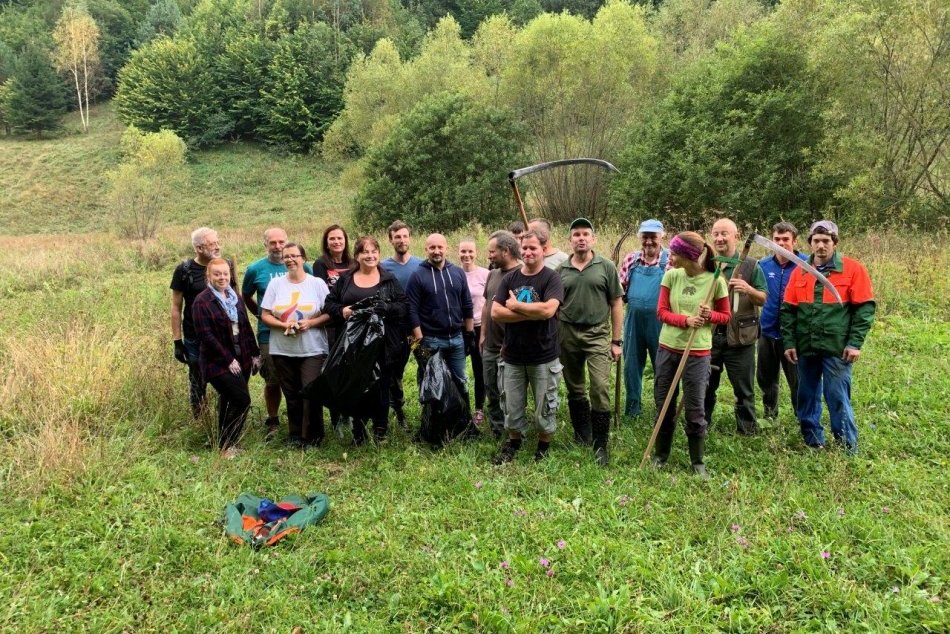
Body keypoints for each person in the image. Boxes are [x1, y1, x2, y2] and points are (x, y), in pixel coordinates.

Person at [781, 221, 875, 453]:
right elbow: (788, 311)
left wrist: (854, 343)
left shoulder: (853, 269)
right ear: (810, 243)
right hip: (806, 346)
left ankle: (846, 445)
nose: (821, 245)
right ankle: (813, 441)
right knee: (807, 395)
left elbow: (864, 309)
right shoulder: (799, 271)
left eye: (826, 241)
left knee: (837, 396)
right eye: (816, 241)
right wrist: (790, 342)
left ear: (835, 242)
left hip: (837, 347)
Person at [651, 232, 730, 476]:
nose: (670, 257)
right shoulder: (671, 276)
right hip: (668, 349)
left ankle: (697, 462)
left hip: (697, 353)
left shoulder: (715, 281)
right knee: (664, 404)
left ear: (687, 256)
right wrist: (687, 320)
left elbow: (726, 317)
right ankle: (660, 455)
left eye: (674, 253)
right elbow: (661, 313)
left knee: (695, 409)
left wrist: (710, 316)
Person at [491, 230, 565, 463]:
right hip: (512, 355)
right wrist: (530, 313)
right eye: (524, 248)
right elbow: (495, 313)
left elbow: (548, 310)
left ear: (543, 249)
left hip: (543, 356)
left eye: (533, 248)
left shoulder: (551, 278)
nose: (528, 252)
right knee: (512, 406)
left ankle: (543, 445)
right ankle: (514, 442)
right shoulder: (510, 279)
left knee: (545, 405)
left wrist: (515, 306)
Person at [326, 236, 408, 444]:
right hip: (353, 344)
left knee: (381, 386)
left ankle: (381, 431)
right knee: (357, 386)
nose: (370, 256)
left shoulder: (388, 280)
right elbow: (329, 304)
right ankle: (359, 431)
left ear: (379, 254)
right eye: (365, 252)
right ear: (357, 256)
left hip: (382, 344)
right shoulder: (346, 280)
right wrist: (341, 311)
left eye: (374, 252)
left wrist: (387, 308)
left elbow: (404, 307)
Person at [557, 218, 624, 466]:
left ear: (593, 239)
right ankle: (581, 433)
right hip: (567, 333)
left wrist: (616, 341)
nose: (581, 238)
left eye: (586, 234)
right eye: (576, 235)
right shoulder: (561, 270)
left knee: (599, 387)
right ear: (570, 240)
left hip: (597, 334)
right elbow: (554, 306)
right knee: (574, 387)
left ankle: (600, 443)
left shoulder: (605, 267)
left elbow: (617, 303)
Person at [241, 227, 313, 439]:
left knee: (300, 377)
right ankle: (272, 419)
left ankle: (301, 419)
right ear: (265, 244)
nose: (278, 246)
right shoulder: (255, 269)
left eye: (282, 242)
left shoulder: (303, 265)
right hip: (269, 333)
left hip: (301, 330)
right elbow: (246, 296)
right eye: (273, 243)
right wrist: (262, 316)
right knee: (272, 379)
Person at [260, 244, 331, 448]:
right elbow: (265, 314)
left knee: (310, 390)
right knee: (291, 393)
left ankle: (314, 436)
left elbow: (329, 312)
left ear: (304, 258)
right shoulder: (276, 285)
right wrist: (283, 324)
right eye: (286, 257)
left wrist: (310, 323)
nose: (290, 260)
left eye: (294, 256)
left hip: (312, 348)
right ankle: (295, 435)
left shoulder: (316, 284)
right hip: (282, 348)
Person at [191, 258, 260, 458]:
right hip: (217, 362)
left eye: (225, 274)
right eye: (217, 274)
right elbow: (206, 336)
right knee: (242, 399)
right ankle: (227, 443)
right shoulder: (202, 302)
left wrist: (255, 353)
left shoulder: (235, 297)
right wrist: (228, 359)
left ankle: (225, 444)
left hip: (243, 357)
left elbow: (245, 327)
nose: (222, 278)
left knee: (229, 401)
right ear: (208, 276)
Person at [705, 218, 767, 435]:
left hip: (740, 338)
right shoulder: (708, 263)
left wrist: (748, 289)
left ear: (736, 236)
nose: (720, 238)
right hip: (710, 336)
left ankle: (747, 431)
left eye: (725, 233)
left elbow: (763, 299)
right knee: (705, 386)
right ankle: (700, 427)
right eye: (716, 233)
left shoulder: (751, 265)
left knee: (744, 389)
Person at [170, 227, 235, 418]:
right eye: (212, 244)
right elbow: (176, 307)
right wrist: (177, 342)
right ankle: (200, 419)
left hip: (223, 335)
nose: (217, 247)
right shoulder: (184, 270)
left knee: (227, 376)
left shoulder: (225, 266)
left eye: (217, 242)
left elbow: (234, 299)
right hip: (195, 337)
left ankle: (227, 416)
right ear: (199, 248)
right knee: (198, 378)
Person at [406, 234, 475, 404]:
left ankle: (465, 424)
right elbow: (411, 309)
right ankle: (433, 427)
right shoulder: (417, 276)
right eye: (432, 248)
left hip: (457, 339)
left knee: (461, 381)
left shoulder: (457, 272)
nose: (436, 251)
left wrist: (469, 332)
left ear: (446, 248)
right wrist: (419, 339)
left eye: (440, 247)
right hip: (431, 340)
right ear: (426, 250)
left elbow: (467, 303)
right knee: (432, 385)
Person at [618, 219, 669, 418]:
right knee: (631, 366)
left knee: (663, 368)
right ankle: (632, 410)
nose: (648, 242)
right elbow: (621, 290)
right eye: (645, 237)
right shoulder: (631, 259)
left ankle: (663, 410)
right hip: (633, 322)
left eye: (653, 237)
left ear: (661, 236)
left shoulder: (670, 261)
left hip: (661, 324)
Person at [757, 221, 805, 420]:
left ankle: (801, 417)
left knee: (797, 380)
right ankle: (769, 415)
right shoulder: (763, 265)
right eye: (777, 239)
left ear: (794, 241)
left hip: (794, 334)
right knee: (767, 379)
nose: (781, 243)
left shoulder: (806, 265)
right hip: (767, 331)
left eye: (786, 239)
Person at [380, 220, 423, 429]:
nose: (402, 240)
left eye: (405, 236)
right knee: (394, 372)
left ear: (410, 238)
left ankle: (430, 409)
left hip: (419, 330)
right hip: (395, 331)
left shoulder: (422, 265)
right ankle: (398, 411)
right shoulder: (382, 267)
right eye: (397, 237)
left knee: (426, 367)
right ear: (391, 240)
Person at [479, 231, 521, 438]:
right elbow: (487, 305)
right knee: (491, 389)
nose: (489, 256)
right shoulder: (492, 274)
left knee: (511, 393)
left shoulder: (523, 274)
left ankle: (514, 428)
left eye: (492, 251)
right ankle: (497, 429)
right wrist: (483, 334)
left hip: (513, 348)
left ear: (505, 251)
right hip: (490, 346)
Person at [312, 224, 352, 433]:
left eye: (340, 238)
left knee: (350, 370)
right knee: (332, 370)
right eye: (332, 239)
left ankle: (349, 413)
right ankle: (336, 418)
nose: (336, 242)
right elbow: (322, 296)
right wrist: (339, 310)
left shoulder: (353, 262)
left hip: (352, 326)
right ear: (326, 242)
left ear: (345, 240)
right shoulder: (320, 264)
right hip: (330, 325)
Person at [459, 238, 490, 427]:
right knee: (458, 370)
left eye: (470, 251)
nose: (467, 255)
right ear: (458, 253)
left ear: (476, 253)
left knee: (480, 370)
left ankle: (479, 408)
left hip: (480, 328)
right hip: (460, 329)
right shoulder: (454, 273)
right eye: (463, 251)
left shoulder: (485, 275)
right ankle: (460, 407)